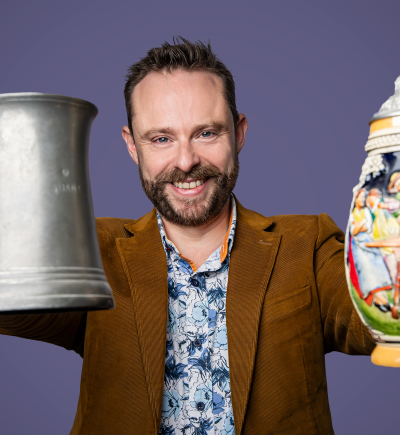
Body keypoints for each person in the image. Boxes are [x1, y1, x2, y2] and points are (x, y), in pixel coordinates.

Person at [0, 38, 376, 435]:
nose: (185, 161)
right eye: (161, 139)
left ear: (239, 133)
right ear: (132, 146)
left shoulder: (307, 244)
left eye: (207, 133)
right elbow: (13, 299)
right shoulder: (92, 250)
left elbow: (379, 315)